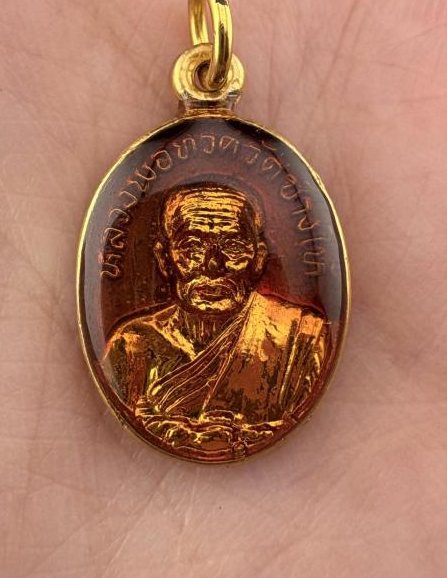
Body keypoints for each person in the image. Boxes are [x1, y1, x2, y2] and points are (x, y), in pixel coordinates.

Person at [101, 183, 327, 459]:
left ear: (258, 259)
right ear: (165, 259)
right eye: (193, 248)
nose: (213, 266)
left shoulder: (302, 338)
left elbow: (299, 429)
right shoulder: (132, 345)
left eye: (232, 247)